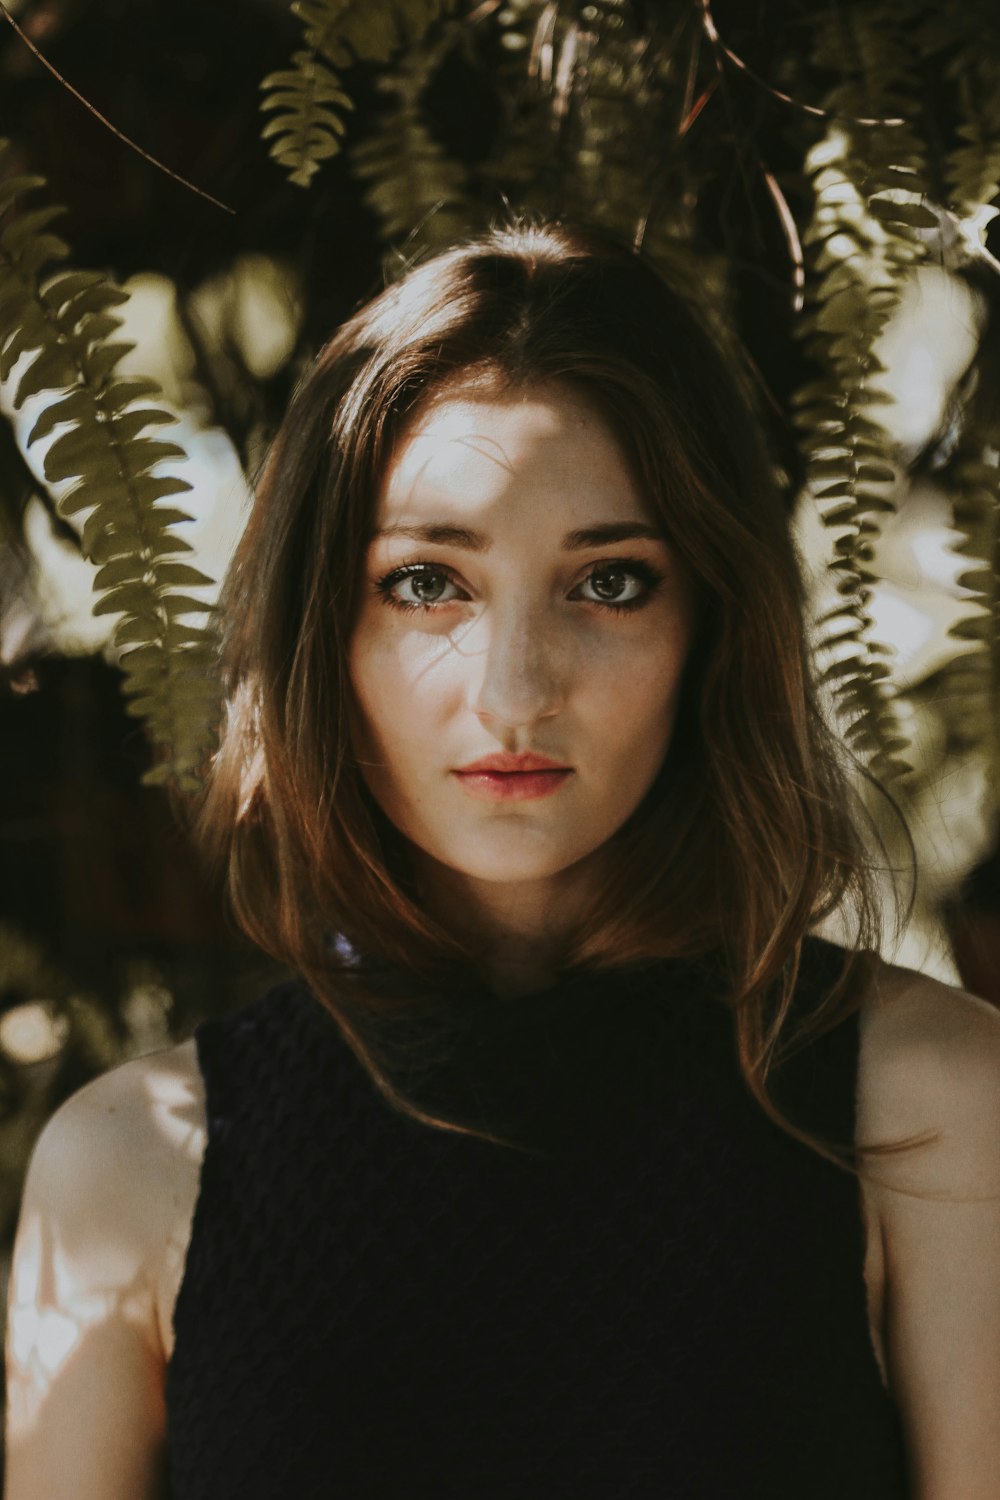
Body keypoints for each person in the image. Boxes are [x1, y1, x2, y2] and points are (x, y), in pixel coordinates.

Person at [4, 216, 1000, 1500]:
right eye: (427, 583)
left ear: (711, 626)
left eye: (612, 583)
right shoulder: (132, 1164)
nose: (515, 691)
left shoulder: (933, 1110)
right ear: (326, 632)